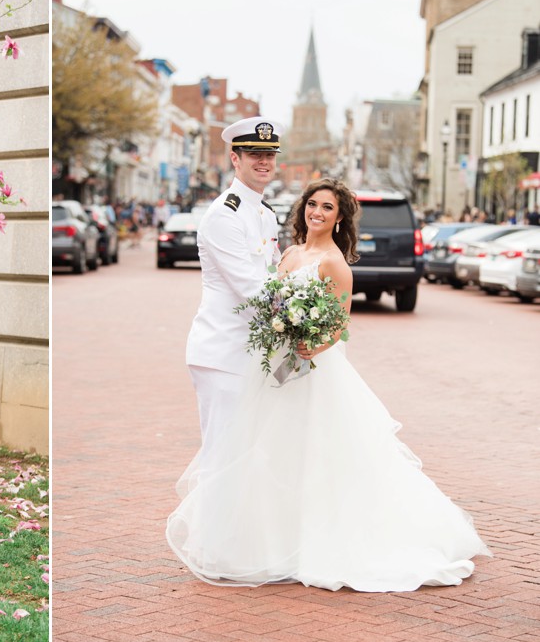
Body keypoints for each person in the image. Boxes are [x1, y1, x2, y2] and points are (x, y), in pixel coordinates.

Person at [168, 178, 490, 592]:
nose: (317, 213)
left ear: (340, 220)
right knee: (271, 453)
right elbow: (270, 300)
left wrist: (308, 345)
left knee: (317, 454)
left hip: (313, 370)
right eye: (313, 205)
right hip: (273, 367)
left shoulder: (335, 263)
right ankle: (271, 540)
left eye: (327, 209)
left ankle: (319, 542)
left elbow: (339, 325)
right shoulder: (290, 252)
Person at [185, 116, 283, 451]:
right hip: (223, 354)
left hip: (253, 354)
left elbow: (276, 272)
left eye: (269, 155)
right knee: (223, 456)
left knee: (250, 459)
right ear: (235, 158)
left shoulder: (265, 214)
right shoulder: (224, 215)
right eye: (254, 154)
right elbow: (253, 290)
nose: (263, 162)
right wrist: (304, 313)